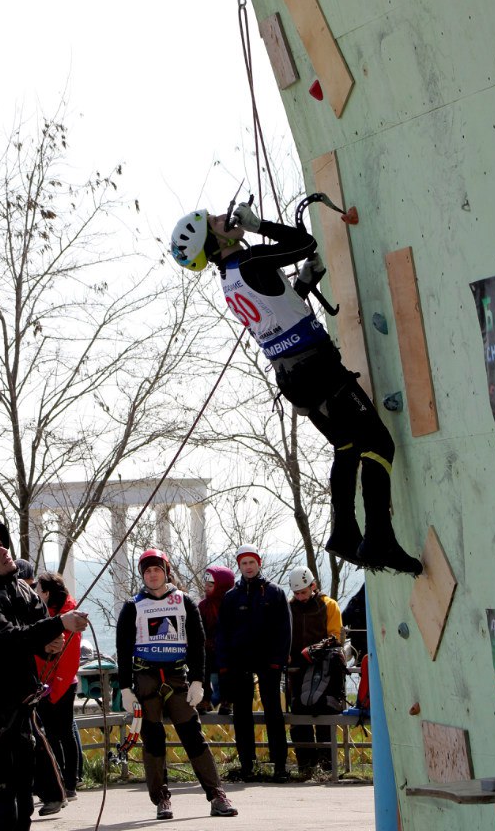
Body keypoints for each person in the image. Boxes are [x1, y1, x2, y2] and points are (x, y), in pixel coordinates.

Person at [170, 204, 422, 576]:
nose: (227, 217)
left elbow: (278, 309)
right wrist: (260, 226)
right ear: (214, 238)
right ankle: (378, 539)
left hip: (292, 377)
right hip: (316, 368)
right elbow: (305, 242)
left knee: (347, 445)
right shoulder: (251, 260)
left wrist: (304, 283)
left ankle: (345, 534)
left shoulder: (231, 278)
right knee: (379, 444)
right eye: (218, 221)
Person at [0, 523, 88, 831]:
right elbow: (11, 638)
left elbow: (38, 634)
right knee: (0, 811)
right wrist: (58, 625)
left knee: (23, 806)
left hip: (22, 711)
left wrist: (52, 647)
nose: (3, 552)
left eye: (2, 545)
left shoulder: (21, 590)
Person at [116, 548, 238, 820]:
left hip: (176, 677)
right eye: (147, 571)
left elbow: (198, 644)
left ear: (166, 571)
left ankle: (217, 795)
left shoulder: (184, 602)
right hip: (146, 678)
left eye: (157, 569)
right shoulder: (132, 605)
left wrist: (198, 680)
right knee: (154, 740)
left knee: (192, 735)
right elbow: (123, 649)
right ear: (142, 575)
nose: (152, 575)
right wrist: (125, 688)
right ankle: (161, 798)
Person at [215, 544, 292, 782]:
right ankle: (247, 764)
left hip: (268, 662)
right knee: (242, 715)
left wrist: (278, 661)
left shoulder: (275, 593)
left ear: (259, 564)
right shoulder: (231, 597)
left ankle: (280, 765)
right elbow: (223, 634)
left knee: (273, 713)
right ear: (239, 566)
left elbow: (285, 630)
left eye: (252, 562)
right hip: (240, 662)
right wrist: (225, 665)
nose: (248, 567)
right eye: (244, 563)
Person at [287, 566, 345, 776]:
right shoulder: (290, 608)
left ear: (313, 586)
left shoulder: (328, 605)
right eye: (296, 593)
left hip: (324, 668)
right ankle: (306, 767)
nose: (300, 597)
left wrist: (313, 651)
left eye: (303, 592)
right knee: (299, 719)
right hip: (297, 671)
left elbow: (335, 637)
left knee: (324, 716)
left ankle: (328, 767)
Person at [34, 571, 81, 815]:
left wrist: (57, 686)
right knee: (51, 736)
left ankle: (70, 783)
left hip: (62, 684)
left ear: (48, 592)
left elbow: (70, 657)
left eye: (39, 589)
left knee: (63, 733)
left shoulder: (68, 615)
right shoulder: (45, 614)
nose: (35, 593)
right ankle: (59, 781)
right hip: (44, 685)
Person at [197, 565, 235, 714]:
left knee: (227, 671)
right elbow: (200, 629)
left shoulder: (231, 605)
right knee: (204, 670)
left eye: (210, 585)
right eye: (205, 584)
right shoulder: (203, 606)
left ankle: (227, 700)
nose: (206, 588)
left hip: (227, 649)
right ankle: (205, 699)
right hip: (209, 649)